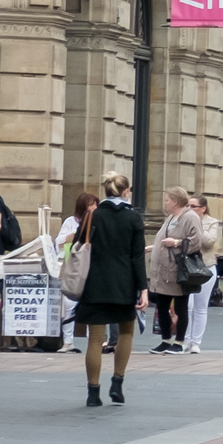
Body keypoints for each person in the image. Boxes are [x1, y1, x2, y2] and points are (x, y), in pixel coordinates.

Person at [67, 171, 144, 405]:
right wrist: (143, 289)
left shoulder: (93, 216)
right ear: (125, 191)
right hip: (124, 284)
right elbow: (137, 257)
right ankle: (117, 384)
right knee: (126, 332)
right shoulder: (133, 219)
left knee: (95, 339)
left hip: (95, 284)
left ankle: (93, 392)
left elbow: (78, 245)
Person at [149, 188, 217, 353]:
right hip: (163, 270)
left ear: (174, 201)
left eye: (167, 200)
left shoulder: (190, 217)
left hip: (178, 270)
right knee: (162, 305)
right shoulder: (171, 217)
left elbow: (196, 241)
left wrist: (177, 242)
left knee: (181, 306)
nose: (165, 203)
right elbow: (163, 239)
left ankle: (179, 342)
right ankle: (165, 340)